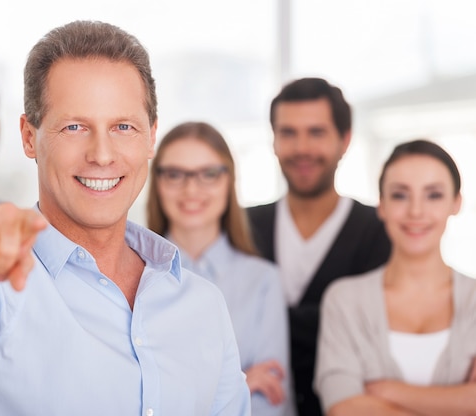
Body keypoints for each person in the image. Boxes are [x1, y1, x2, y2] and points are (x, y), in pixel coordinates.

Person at [0, 21, 250, 415]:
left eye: (123, 127)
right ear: (30, 137)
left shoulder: (203, 305)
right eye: (74, 126)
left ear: (151, 137)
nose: (101, 154)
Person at [246, 77, 392, 415]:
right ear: (273, 142)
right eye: (288, 133)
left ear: (345, 140)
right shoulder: (243, 227)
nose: (302, 149)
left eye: (316, 132)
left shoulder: (380, 231)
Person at [315, 139, 476, 415]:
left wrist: (389, 391)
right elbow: (343, 408)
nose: (416, 211)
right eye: (400, 195)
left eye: (433, 195)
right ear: (382, 206)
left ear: (456, 203)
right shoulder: (344, 300)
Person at [146, 121, 293, 416]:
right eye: (175, 174)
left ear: (229, 181)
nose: (191, 189)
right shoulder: (133, 275)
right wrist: (240, 383)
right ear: (157, 183)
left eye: (209, 174)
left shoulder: (263, 280)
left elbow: (269, 403)